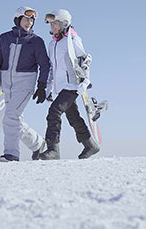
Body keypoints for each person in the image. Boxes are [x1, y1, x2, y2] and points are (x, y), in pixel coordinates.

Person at [39, 9, 100, 160]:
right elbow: (53, 67)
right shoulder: (52, 43)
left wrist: (86, 81)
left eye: (55, 23)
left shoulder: (73, 40)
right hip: (61, 87)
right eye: (51, 23)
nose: (52, 26)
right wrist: (49, 88)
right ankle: (90, 145)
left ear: (64, 23)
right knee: (73, 117)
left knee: (54, 111)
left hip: (72, 85)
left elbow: (84, 60)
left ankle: (53, 149)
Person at [0, 6, 50, 162]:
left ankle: (11, 154)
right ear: (18, 20)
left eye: (32, 20)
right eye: (26, 19)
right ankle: (37, 144)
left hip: (25, 84)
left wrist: (42, 85)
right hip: (7, 84)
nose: (29, 23)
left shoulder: (36, 41)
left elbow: (44, 65)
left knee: (10, 117)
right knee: (14, 119)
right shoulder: (4, 38)